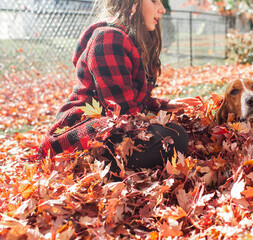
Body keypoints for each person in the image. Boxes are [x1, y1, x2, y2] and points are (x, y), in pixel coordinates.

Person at [39, 0, 201, 171]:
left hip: (109, 128)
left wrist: (162, 104)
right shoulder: (108, 37)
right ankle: (101, 169)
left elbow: (129, 98)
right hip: (82, 134)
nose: (162, 9)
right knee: (175, 136)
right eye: (154, 1)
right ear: (132, 3)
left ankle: (115, 165)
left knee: (174, 134)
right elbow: (122, 112)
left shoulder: (130, 40)